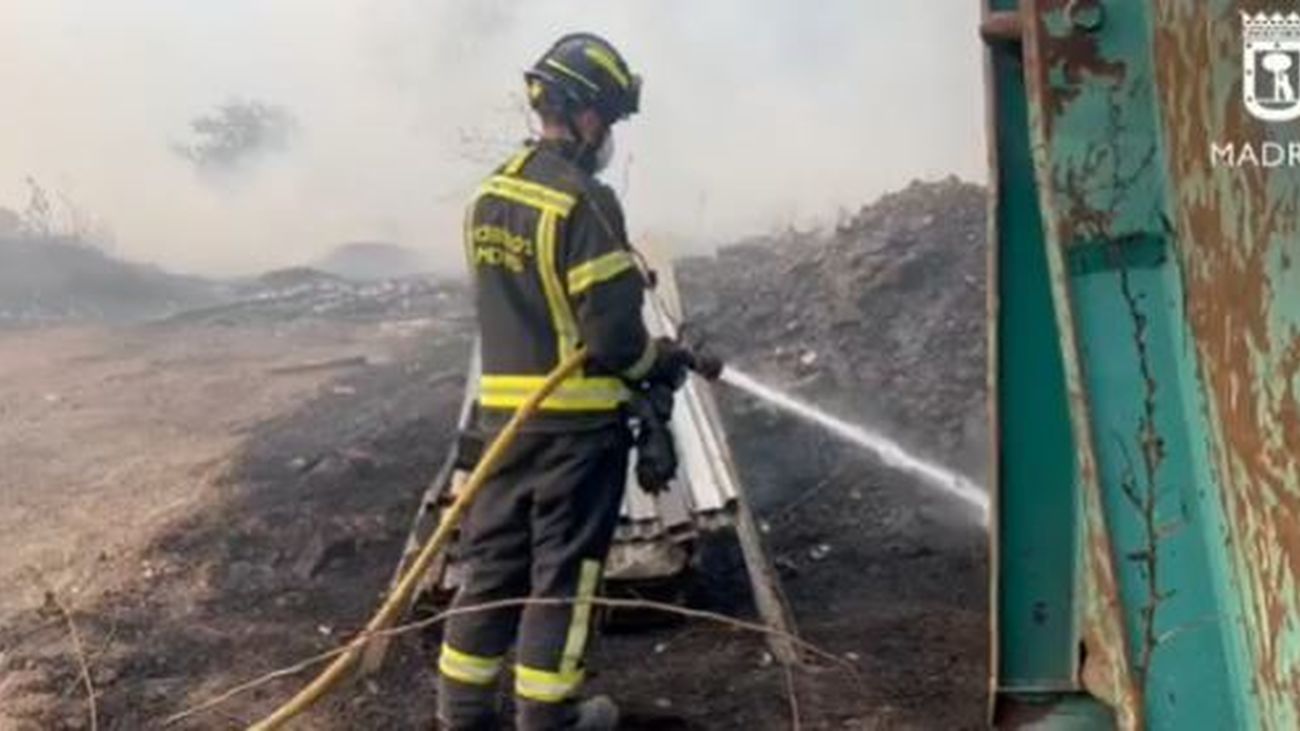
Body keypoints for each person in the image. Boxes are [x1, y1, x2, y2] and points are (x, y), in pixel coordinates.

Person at [436, 32, 695, 731]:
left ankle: (463, 713)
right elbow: (612, 337)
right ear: (583, 114)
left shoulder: (488, 196)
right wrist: (657, 364)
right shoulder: (582, 202)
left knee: (491, 569)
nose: (607, 134)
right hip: (573, 437)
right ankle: (548, 719)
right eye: (606, 118)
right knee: (563, 579)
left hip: (502, 428)